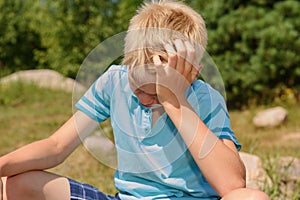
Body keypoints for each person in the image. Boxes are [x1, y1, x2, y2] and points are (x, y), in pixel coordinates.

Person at [0, 1, 269, 199]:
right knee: (14, 183)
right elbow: (57, 146)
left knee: (252, 198)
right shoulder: (114, 81)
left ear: (191, 73)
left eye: (156, 92)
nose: (144, 98)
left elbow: (233, 185)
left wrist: (174, 101)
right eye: (138, 86)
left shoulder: (206, 99)